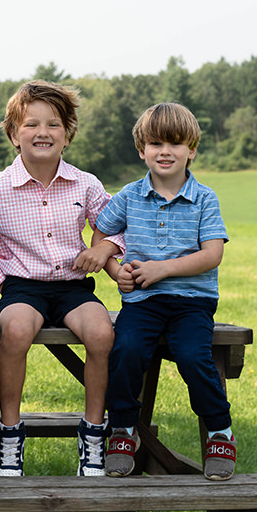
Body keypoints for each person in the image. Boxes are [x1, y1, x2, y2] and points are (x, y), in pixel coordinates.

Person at [0, 80, 124, 478]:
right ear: (14, 134)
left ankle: (92, 433)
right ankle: (11, 433)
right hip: (21, 286)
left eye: (53, 124)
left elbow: (116, 226)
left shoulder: (86, 184)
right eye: (31, 124)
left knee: (102, 334)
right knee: (16, 331)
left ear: (67, 134)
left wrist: (102, 250)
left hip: (73, 287)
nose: (42, 132)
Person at [94, 102, 236, 481]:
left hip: (193, 302)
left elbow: (213, 254)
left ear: (192, 149)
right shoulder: (128, 196)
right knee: (125, 351)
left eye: (175, 143)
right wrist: (115, 271)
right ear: (142, 150)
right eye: (155, 143)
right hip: (142, 301)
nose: (165, 151)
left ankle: (219, 432)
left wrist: (162, 269)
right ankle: (123, 431)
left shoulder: (204, 198)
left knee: (193, 356)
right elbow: (102, 237)